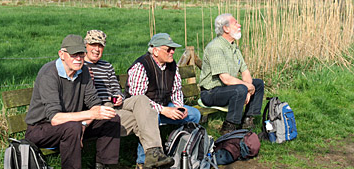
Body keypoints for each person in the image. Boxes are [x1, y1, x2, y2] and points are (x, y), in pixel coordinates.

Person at [24, 34, 121, 169]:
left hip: (73, 125)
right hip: (40, 128)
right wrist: (89, 116)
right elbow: (55, 119)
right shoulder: (49, 74)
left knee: (112, 119)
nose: (78, 59)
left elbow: (94, 103)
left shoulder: (83, 71)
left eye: (81, 55)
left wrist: (83, 125)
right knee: (72, 127)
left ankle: (105, 165)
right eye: (74, 55)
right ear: (62, 54)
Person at [83, 30, 174, 168]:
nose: (97, 49)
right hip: (98, 108)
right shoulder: (80, 66)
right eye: (93, 45)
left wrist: (119, 96)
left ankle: (154, 153)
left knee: (141, 99)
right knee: (142, 118)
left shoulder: (106, 66)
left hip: (115, 105)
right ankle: (149, 157)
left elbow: (115, 88)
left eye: (100, 46)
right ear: (86, 46)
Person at [126, 33, 201, 166]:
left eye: (173, 49)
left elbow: (176, 90)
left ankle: (181, 152)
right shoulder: (141, 66)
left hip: (165, 105)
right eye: (168, 49)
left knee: (194, 114)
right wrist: (163, 110)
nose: (172, 52)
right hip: (143, 111)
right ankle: (143, 162)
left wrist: (178, 107)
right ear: (155, 50)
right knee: (149, 120)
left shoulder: (172, 66)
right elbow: (138, 99)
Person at [199, 13, 264, 135]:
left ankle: (248, 121)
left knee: (258, 83)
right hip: (210, 92)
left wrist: (249, 90)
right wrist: (246, 87)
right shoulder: (215, 48)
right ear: (226, 28)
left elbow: (245, 72)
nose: (239, 25)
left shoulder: (233, 47)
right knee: (240, 89)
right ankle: (229, 128)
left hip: (227, 89)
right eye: (235, 23)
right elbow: (226, 79)